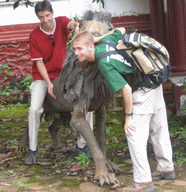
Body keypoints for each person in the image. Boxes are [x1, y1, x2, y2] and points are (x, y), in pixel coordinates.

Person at [72, 29, 175, 192]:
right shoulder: (105, 41)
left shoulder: (102, 61)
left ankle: (143, 181)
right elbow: (121, 30)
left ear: (91, 46)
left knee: (133, 134)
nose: (76, 53)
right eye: (74, 49)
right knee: (158, 128)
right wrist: (99, 36)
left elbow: (126, 89)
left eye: (80, 49)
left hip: (143, 89)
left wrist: (128, 116)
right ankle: (166, 168)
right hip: (154, 81)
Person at [26, 0, 93, 165]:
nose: (45, 19)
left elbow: (71, 24)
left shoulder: (61, 21)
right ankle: (33, 149)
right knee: (35, 109)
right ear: (38, 17)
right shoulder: (34, 35)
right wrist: (48, 82)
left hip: (65, 73)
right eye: (41, 17)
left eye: (47, 15)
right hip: (42, 76)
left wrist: (76, 27)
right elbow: (39, 63)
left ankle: (82, 144)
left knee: (87, 103)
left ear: (52, 13)